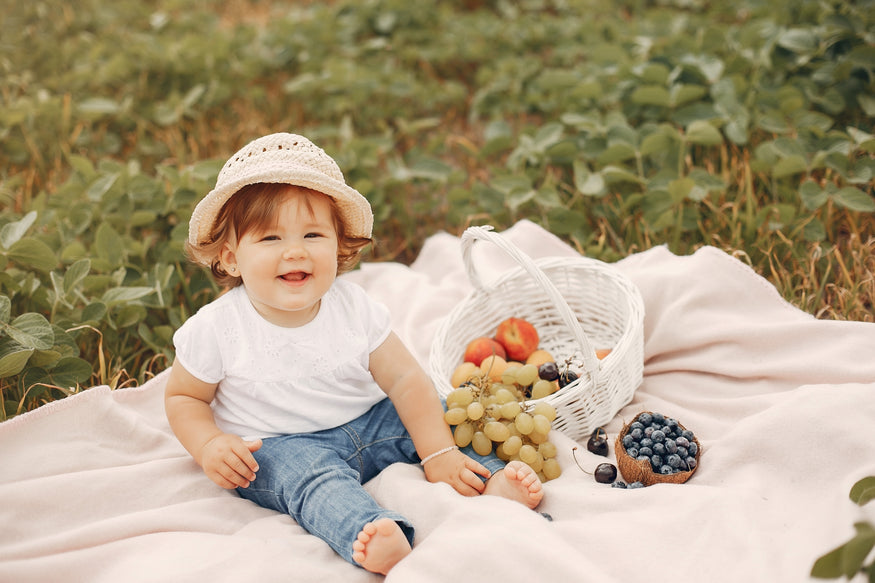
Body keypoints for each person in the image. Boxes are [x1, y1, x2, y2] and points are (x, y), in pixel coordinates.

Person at [164, 132, 544, 575]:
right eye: (270, 238)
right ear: (230, 259)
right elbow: (184, 398)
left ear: (339, 246)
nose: (295, 251)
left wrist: (437, 452)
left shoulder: (355, 308)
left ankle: (491, 476)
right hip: (279, 444)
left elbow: (404, 379)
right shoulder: (217, 329)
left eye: (312, 234)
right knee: (311, 481)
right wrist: (209, 445)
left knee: (430, 414)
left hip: (367, 421)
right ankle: (369, 529)